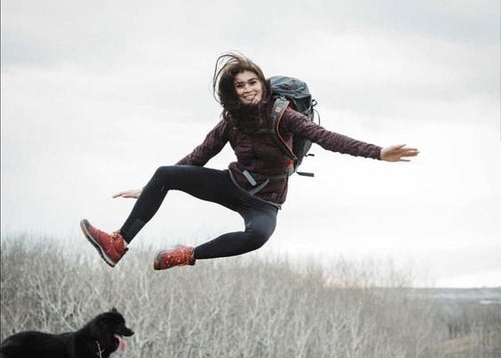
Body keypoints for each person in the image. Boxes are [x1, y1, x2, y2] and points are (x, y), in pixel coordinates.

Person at [80, 53, 419, 270]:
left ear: (262, 83)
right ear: (233, 91)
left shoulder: (284, 116)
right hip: (233, 184)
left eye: (253, 82)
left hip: (265, 201)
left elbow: (326, 138)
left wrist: (378, 152)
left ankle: (187, 255)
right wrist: (150, 188)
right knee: (165, 173)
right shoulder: (232, 120)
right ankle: (118, 243)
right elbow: (200, 156)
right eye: (240, 85)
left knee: (257, 236)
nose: (248, 89)